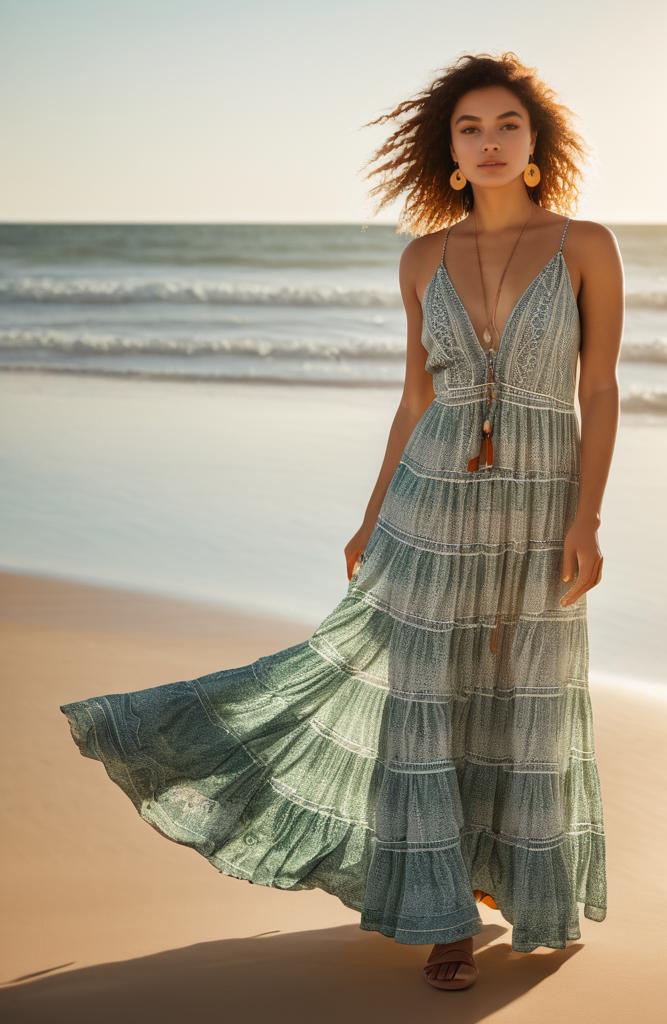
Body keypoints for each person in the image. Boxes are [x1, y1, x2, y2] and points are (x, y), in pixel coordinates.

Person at [59, 50, 623, 993]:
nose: (489, 141)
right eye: (470, 128)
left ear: (537, 144)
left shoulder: (586, 245)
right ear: (449, 149)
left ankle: (509, 886)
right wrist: (370, 515)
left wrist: (588, 518)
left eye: (507, 126)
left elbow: (599, 387)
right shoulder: (423, 257)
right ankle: (442, 913)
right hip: (430, 497)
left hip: (540, 501)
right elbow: (413, 402)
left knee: (526, 689)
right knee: (424, 700)